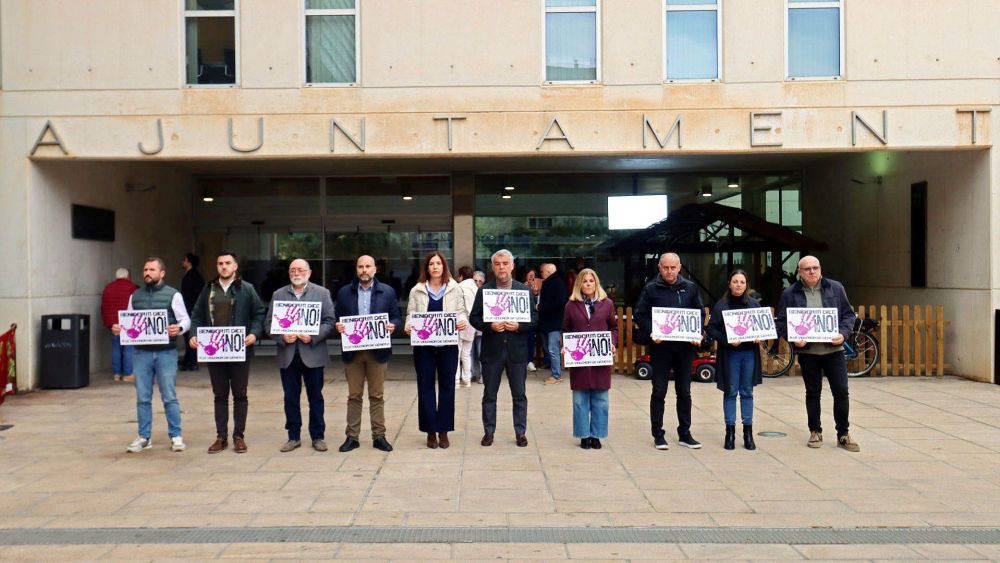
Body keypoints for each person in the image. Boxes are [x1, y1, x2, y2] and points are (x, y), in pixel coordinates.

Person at [776, 255, 860, 452]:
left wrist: (844, 333)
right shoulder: (790, 293)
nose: (812, 271)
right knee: (813, 393)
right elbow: (781, 322)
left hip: (834, 350)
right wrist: (793, 337)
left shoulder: (835, 288)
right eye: (807, 269)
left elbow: (848, 314)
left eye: (815, 267)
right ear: (799, 272)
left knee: (841, 391)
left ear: (820, 269)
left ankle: (843, 434)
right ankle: (815, 431)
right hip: (809, 352)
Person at [188, 251, 265, 454]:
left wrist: (255, 334)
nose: (223, 266)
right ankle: (221, 436)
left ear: (235, 266)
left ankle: (239, 436)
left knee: (240, 394)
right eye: (220, 263)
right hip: (214, 352)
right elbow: (196, 316)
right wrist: (193, 335)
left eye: (228, 263)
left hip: (240, 350)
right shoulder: (208, 289)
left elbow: (259, 313)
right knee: (219, 395)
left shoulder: (246, 289)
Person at [112, 257, 190, 453]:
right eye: (145, 269)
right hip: (141, 353)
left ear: (162, 273)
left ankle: (176, 435)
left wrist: (178, 328)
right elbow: (129, 322)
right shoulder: (135, 296)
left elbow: (185, 320)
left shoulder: (173, 295)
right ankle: (144, 437)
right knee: (142, 397)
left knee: (169, 396)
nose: (147, 273)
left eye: (152, 270)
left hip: (166, 352)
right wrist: (120, 329)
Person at [634, 252, 705, 451]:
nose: (670, 271)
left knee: (684, 391)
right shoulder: (650, 289)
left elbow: (698, 314)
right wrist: (651, 332)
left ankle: (685, 433)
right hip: (661, 347)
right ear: (659, 267)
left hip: (684, 348)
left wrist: (698, 333)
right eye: (666, 267)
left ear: (679, 267)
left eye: (673, 267)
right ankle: (658, 434)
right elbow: (640, 315)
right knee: (659, 390)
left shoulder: (690, 288)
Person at [469, 249, 537, 447]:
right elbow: (474, 317)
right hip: (492, 349)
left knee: (519, 394)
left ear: (512, 266)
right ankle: (489, 432)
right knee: (489, 394)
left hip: (517, 350)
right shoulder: (485, 290)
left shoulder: (523, 291)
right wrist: (488, 326)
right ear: (493, 267)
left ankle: (520, 433)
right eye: (498, 264)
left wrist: (519, 326)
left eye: (505, 263)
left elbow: (534, 319)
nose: (501, 267)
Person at [267, 259, 336, 453]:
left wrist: (313, 336)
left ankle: (318, 436)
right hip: (288, 354)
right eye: (293, 270)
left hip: (313, 353)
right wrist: (281, 337)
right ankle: (293, 436)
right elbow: (269, 323)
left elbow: (330, 321)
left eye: (300, 270)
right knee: (290, 397)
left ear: (309, 272)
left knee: (316, 397)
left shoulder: (322, 293)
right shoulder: (278, 294)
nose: (296, 273)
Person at [334, 255, 401, 453]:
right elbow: (337, 317)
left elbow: (397, 316)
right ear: (356, 269)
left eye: (368, 266)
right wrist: (338, 325)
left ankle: (379, 436)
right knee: (354, 395)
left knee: (377, 395)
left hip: (377, 352)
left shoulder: (387, 291)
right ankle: (352, 436)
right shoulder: (345, 292)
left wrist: (393, 325)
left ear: (375, 269)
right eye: (361, 267)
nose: (364, 270)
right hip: (353, 352)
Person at [404, 252, 469, 449]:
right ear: (426, 267)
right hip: (424, 348)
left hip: (448, 347)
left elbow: (462, 312)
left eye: (438, 263)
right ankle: (430, 431)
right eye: (431, 264)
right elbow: (411, 314)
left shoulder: (454, 289)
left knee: (448, 387)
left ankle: (444, 430)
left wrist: (462, 322)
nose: (435, 267)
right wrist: (408, 326)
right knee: (425, 388)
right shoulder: (416, 290)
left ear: (444, 266)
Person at [706, 269, 763, 451]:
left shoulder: (754, 305)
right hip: (730, 354)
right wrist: (727, 340)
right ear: (729, 284)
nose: (738, 285)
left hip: (749, 354)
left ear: (746, 285)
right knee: (730, 392)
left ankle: (748, 433)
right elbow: (712, 329)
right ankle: (729, 432)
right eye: (735, 281)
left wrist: (759, 336)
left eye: (742, 282)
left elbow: (763, 328)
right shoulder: (721, 305)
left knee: (747, 392)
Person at [561, 268, 618, 450]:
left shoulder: (607, 304)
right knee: (580, 401)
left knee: (601, 400)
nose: (588, 284)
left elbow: (613, 327)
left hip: (600, 360)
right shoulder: (570, 305)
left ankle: (597, 435)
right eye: (584, 281)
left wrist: (612, 342)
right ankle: (584, 435)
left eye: (591, 281)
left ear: (596, 283)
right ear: (579, 284)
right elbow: (566, 329)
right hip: (580, 360)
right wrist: (565, 345)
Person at [101, 267, 137, 382]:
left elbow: (103, 306)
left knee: (116, 348)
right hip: (127, 322)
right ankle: (127, 373)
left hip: (113, 323)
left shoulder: (108, 288)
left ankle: (116, 373)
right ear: (128, 276)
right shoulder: (132, 287)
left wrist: (108, 322)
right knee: (128, 348)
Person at [538, 263, 568, 384]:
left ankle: (556, 375)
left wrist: (540, 306)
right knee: (550, 349)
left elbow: (559, 303)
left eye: (542, 272)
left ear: (548, 272)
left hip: (553, 322)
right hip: (550, 322)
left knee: (553, 349)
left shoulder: (556, 283)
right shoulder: (554, 282)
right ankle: (555, 373)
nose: (541, 274)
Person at [179, 253, 205, 371]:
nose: (182, 262)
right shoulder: (193, 275)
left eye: (184, 260)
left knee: (191, 337)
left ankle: (192, 362)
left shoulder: (192, 277)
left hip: (190, 311)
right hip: (190, 310)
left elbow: (189, 296)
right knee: (189, 337)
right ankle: (188, 360)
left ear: (189, 262)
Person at [455, 266, 479, 388]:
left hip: (461, 321)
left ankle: (456, 381)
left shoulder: (460, 287)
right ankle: (467, 379)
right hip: (472, 323)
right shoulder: (476, 288)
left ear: (461, 276)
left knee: (457, 353)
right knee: (466, 353)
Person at [523, 268, 540, 372]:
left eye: (533, 275)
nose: (531, 277)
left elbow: (537, 305)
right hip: (521, 320)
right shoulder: (520, 286)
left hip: (531, 319)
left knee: (531, 341)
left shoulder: (538, 287)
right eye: (529, 275)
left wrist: (535, 293)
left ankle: (529, 361)